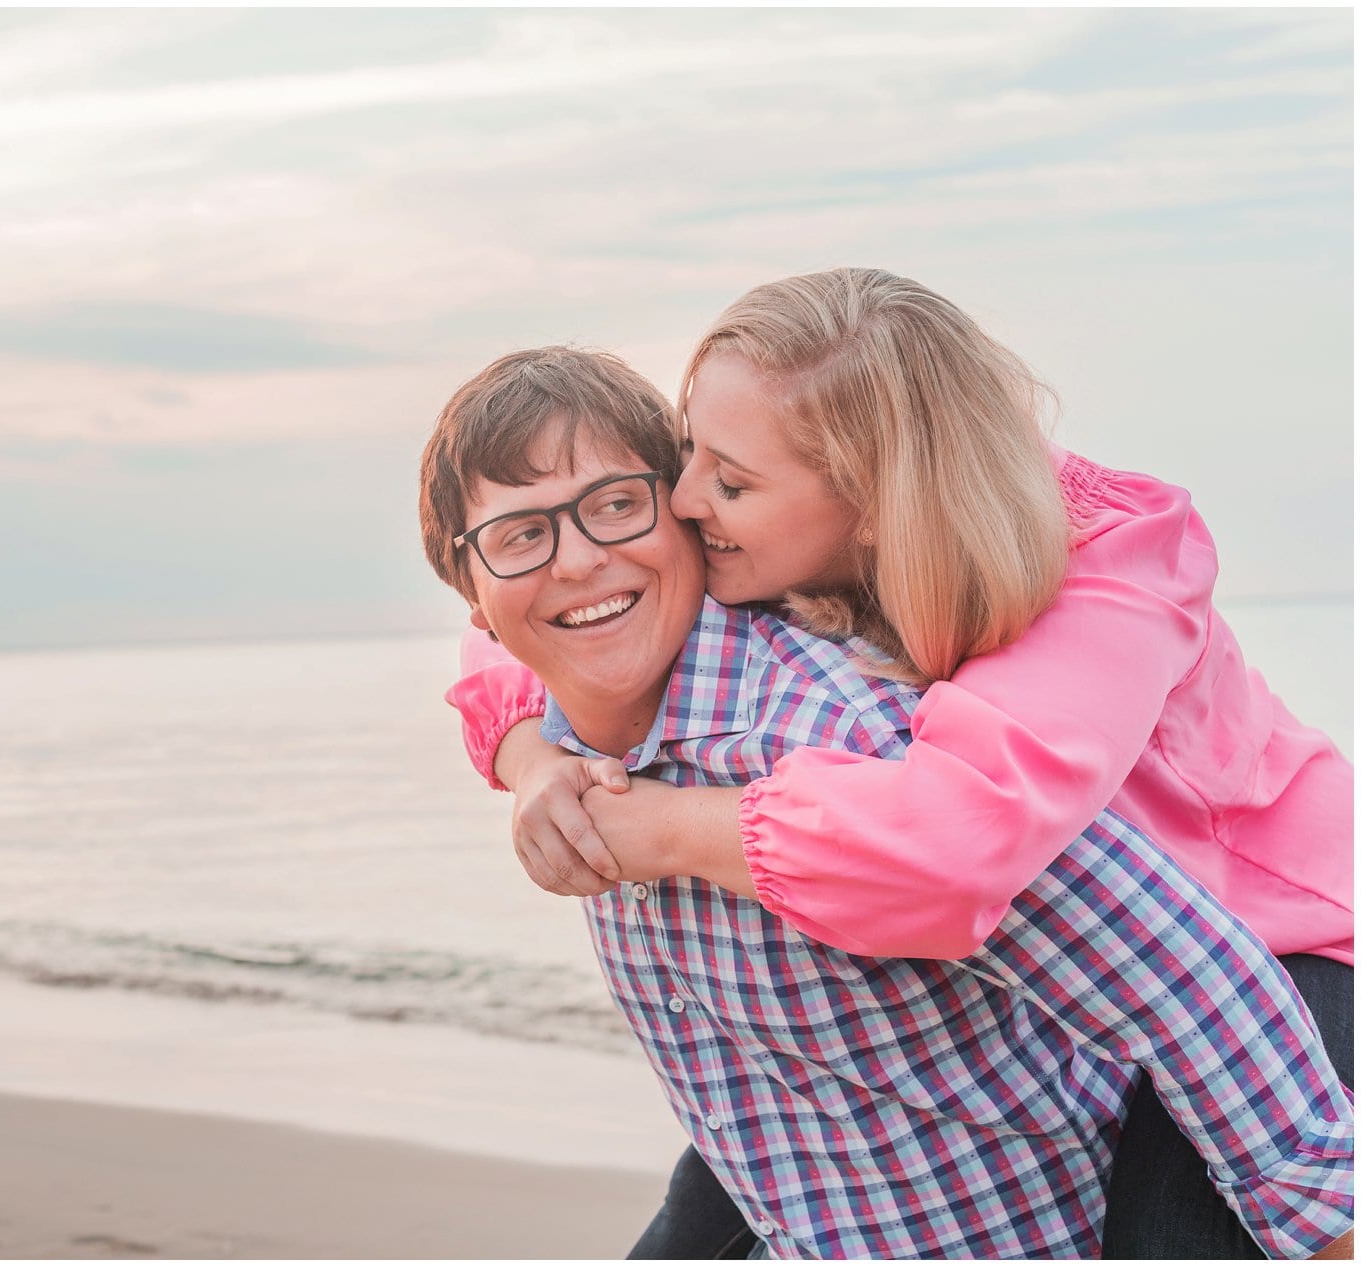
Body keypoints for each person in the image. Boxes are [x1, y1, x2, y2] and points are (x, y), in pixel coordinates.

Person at [445, 270, 1354, 1258]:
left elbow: (961, 848)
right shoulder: (757, 543)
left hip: (1279, 936)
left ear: (871, 504)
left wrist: (640, 827)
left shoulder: (1106, 570)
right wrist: (536, 760)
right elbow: (537, 607)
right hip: (1079, 958)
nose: (685, 498)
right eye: (685, 454)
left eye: (729, 480)